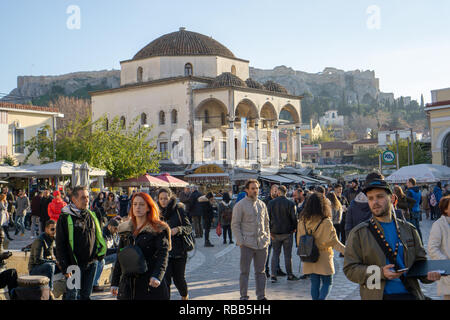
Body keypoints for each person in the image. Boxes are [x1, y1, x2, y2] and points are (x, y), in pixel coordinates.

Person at [343, 178, 441, 300]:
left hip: (410, 294)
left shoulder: (409, 229)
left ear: (392, 198)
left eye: (380, 197)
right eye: (371, 198)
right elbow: (350, 269)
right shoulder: (359, 233)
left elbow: (420, 262)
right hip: (377, 296)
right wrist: (380, 273)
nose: (375, 202)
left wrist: (429, 275)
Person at [111, 192, 171, 300]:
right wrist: (115, 282)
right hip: (129, 285)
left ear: (148, 207)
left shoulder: (158, 229)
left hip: (150, 282)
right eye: (135, 204)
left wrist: (157, 276)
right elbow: (120, 256)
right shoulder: (125, 229)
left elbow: (163, 255)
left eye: (142, 204)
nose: (137, 207)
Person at [55, 186, 107, 300]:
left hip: (91, 263)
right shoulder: (65, 217)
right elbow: (60, 244)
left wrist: (99, 256)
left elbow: (99, 235)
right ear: (73, 199)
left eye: (88, 197)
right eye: (83, 197)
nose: (87, 200)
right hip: (73, 266)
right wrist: (65, 266)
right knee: (72, 296)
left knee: (86, 296)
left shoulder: (91, 215)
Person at [297, 192, 345, 300]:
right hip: (324, 256)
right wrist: (349, 252)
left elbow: (298, 241)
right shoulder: (326, 221)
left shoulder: (302, 221)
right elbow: (334, 243)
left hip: (309, 256)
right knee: (328, 282)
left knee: (314, 283)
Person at [231, 179, 270, 300]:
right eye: (253, 188)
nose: (255, 190)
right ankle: (244, 296)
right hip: (247, 244)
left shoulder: (262, 204)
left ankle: (261, 296)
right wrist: (241, 241)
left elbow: (267, 223)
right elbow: (235, 224)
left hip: (262, 244)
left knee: (261, 272)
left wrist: (267, 238)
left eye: (257, 188)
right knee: (244, 272)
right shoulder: (240, 205)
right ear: (247, 190)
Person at [157, 188, 192, 300]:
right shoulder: (155, 212)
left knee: (179, 280)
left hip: (179, 252)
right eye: (161, 198)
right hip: (163, 252)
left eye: (165, 198)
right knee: (165, 281)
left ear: (170, 197)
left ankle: (184, 296)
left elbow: (189, 228)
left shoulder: (178, 209)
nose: (163, 201)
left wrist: (178, 229)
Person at [267, 185, 299, 282]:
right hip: (287, 233)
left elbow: (267, 218)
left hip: (275, 232)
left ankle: (273, 275)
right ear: (286, 192)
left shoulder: (271, 203)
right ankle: (289, 274)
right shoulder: (290, 203)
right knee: (288, 255)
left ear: (278, 192)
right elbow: (294, 218)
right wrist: (294, 228)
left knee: (275, 254)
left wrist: (269, 230)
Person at [28, 220, 59, 298]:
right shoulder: (40, 240)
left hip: (47, 265)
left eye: (56, 229)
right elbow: (38, 260)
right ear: (46, 229)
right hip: (35, 269)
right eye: (52, 229)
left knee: (68, 266)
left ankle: (70, 293)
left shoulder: (52, 238)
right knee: (50, 266)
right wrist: (54, 261)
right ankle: (50, 291)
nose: (54, 231)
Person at [427, 195, 450, 300]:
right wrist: (446, 263)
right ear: (445, 209)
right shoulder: (439, 225)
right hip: (448, 273)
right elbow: (432, 248)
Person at [93, 219, 120, 293]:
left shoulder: (113, 234)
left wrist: (119, 249)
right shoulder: (102, 234)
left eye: (117, 228)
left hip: (107, 255)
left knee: (119, 256)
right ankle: (95, 285)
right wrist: (117, 250)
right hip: (99, 256)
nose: (116, 230)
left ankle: (114, 281)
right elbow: (105, 251)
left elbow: (115, 246)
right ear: (109, 227)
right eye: (115, 228)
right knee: (101, 261)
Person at [263, 184, 284, 278]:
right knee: (268, 251)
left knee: (277, 251)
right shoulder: (266, 201)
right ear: (271, 191)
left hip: (278, 230)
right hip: (268, 230)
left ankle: (277, 269)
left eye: (277, 191)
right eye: (274, 190)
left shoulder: (280, 201)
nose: (276, 192)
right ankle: (266, 270)